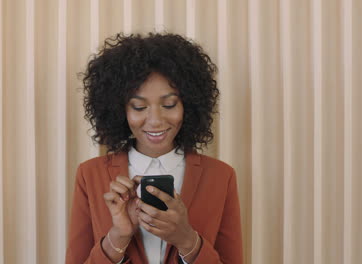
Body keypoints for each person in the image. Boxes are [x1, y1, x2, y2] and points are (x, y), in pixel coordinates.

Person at [66, 33, 243, 264]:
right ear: (120, 111)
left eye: (169, 104)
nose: (155, 120)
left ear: (188, 105)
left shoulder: (221, 176)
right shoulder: (90, 175)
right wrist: (118, 237)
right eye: (139, 107)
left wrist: (187, 241)